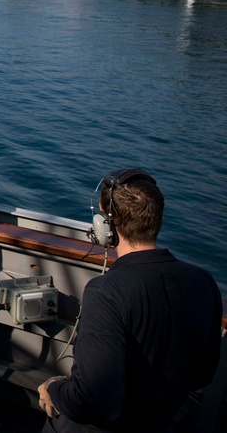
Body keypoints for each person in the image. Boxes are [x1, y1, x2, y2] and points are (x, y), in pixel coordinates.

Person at [37, 169, 222, 432]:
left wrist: (54, 388)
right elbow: (203, 374)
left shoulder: (105, 292)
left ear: (105, 227)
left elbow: (94, 401)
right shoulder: (204, 282)